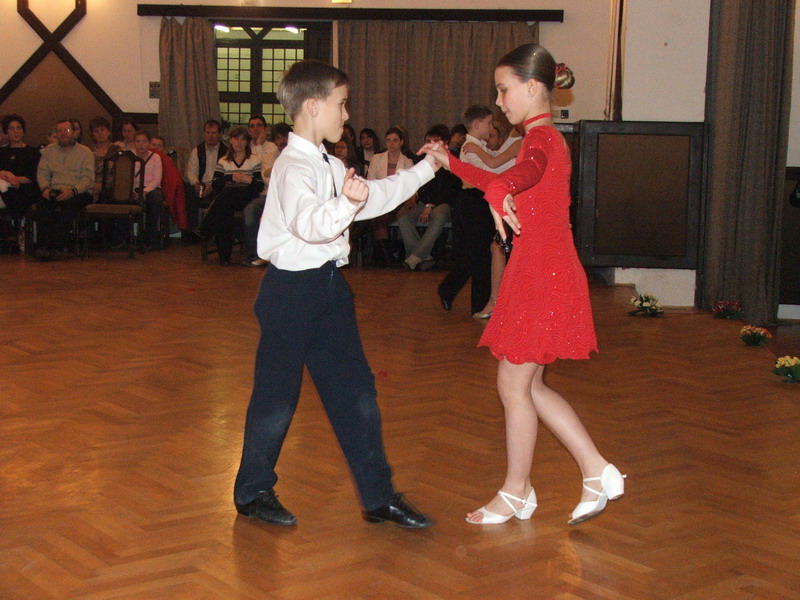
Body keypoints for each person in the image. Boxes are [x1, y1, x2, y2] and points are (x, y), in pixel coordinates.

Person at [422, 43, 624, 526]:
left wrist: (501, 190)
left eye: (504, 90)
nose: (499, 101)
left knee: (514, 384)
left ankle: (523, 489)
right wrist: (452, 163)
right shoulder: (542, 138)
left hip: (543, 273)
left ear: (532, 87)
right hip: (539, 270)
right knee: (527, 385)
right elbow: (507, 178)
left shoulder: (542, 140)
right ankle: (593, 471)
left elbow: (521, 175)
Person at [235, 59, 439, 529]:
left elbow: (373, 197)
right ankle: (252, 491)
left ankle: (378, 497)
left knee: (356, 393)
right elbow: (310, 225)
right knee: (276, 398)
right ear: (313, 105)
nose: (347, 115)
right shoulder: (292, 167)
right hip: (290, 293)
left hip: (328, 289)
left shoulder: (329, 163)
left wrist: (428, 168)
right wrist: (346, 202)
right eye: (341, 104)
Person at [437, 104, 497, 315]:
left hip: (478, 202)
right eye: (489, 122)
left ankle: (454, 292)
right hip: (473, 202)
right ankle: (470, 300)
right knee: (479, 255)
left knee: (478, 254)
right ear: (477, 124)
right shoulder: (469, 148)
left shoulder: (478, 146)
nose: (491, 127)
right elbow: (487, 174)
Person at [461, 123, 523, 318]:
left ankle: (501, 302)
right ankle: (497, 302)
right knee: (497, 248)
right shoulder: (516, 142)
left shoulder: (520, 143)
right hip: (514, 199)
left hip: (521, 200)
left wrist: (476, 150)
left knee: (501, 249)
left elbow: (494, 164)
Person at [397, 124, 460, 271]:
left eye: (435, 141)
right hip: (424, 201)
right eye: (428, 141)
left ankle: (414, 257)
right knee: (403, 216)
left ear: (445, 142)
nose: (431, 145)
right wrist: (425, 203)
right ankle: (422, 257)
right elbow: (421, 185)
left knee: (439, 215)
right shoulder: (422, 158)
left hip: (444, 202)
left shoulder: (453, 159)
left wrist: (430, 205)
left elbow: (451, 190)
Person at [200, 126, 263, 265]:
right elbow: (216, 184)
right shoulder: (223, 161)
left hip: (247, 196)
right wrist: (230, 178)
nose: (239, 143)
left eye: (242, 139)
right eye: (235, 139)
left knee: (224, 199)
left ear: (247, 142)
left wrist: (248, 180)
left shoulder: (254, 160)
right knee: (224, 212)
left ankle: (206, 228)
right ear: (230, 141)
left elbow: (259, 186)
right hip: (227, 199)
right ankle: (224, 257)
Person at [35, 119, 94, 260]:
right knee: (43, 205)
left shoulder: (85, 152)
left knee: (68, 208)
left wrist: (72, 191)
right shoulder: (49, 151)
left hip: (77, 192)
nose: (63, 134)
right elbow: (42, 173)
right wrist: (45, 189)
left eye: (66, 130)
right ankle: (43, 247)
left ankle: (57, 246)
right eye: (59, 131)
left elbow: (88, 179)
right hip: (54, 189)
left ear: (74, 132)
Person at [366, 126, 415, 264]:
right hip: (380, 198)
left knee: (377, 216)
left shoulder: (407, 162)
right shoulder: (377, 158)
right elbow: (371, 181)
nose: (391, 144)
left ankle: (386, 255)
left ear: (401, 142)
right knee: (377, 215)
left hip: (399, 201)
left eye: (395, 140)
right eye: (388, 140)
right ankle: (387, 256)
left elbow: (410, 186)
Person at [186, 119, 228, 234]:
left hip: (218, 186)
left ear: (219, 135)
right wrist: (197, 184)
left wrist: (213, 186)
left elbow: (227, 175)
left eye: (214, 133)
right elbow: (191, 172)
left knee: (224, 196)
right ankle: (192, 231)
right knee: (189, 193)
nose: (211, 136)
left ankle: (213, 232)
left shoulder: (226, 152)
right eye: (208, 132)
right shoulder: (197, 150)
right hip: (201, 185)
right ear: (204, 134)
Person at [0, 114, 40, 221]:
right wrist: (7, 175)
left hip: (25, 188)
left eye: (19, 128)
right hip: (4, 187)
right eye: (11, 129)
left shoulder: (33, 152)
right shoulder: (2, 152)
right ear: (6, 132)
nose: (16, 131)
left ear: (23, 131)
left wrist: (15, 179)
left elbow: (33, 177)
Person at [132, 130, 165, 249]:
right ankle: (125, 238)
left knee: (155, 199)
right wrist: (132, 191)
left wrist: (145, 192)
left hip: (152, 188)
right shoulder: (130, 156)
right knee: (122, 198)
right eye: (138, 141)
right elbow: (126, 177)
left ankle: (150, 238)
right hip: (134, 188)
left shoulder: (155, 157)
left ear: (149, 143)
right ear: (134, 143)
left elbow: (157, 179)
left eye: (144, 141)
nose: (141, 144)